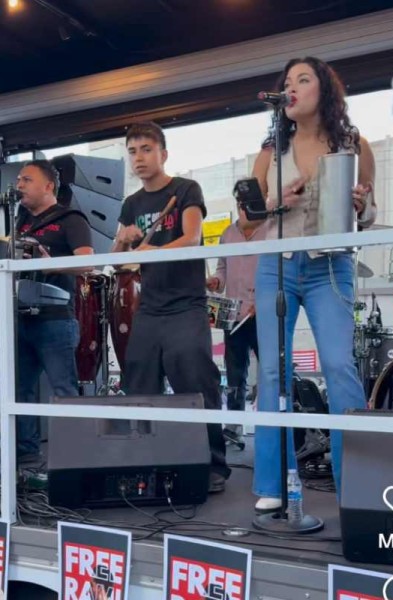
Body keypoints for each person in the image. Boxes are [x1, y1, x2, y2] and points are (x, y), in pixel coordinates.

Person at [250, 56, 377, 513]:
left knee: (340, 367)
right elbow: (247, 221)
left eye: (303, 79)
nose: (293, 88)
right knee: (271, 373)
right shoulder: (270, 152)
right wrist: (273, 204)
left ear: (325, 89)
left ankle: (358, 483)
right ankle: (272, 483)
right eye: (287, 82)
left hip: (330, 265)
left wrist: (362, 205)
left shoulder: (353, 143)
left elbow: (371, 212)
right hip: (277, 264)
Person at [111, 121, 230, 493]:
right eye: (132, 151)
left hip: (187, 306)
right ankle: (141, 463)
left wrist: (153, 251)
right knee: (138, 386)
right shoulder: (131, 205)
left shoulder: (185, 189)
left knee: (196, 384)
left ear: (163, 153)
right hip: (150, 309)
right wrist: (124, 242)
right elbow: (116, 263)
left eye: (146, 149)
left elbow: (192, 238)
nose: (139, 158)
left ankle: (213, 465)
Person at [14, 159, 94, 462]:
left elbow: (87, 262)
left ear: (48, 186)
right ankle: (25, 456)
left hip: (55, 320)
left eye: (27, 180)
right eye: (19, 179)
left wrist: (47, 262)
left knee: (63, 389)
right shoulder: (17, 220)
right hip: (18, 317)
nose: (19, 184)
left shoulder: (70, 218)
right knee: (20, 390)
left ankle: (74, 460)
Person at [207, 204, 269, 447]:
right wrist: (216, 281)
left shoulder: (270, 231)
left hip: (262, 313)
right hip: (233, 315)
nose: (245, 210)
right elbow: (222, 267)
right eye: (242, 206)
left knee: (270, 371)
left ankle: (270, 423)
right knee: (235, 374)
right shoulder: (227, 234)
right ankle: (234, 427)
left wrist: (262, 300)